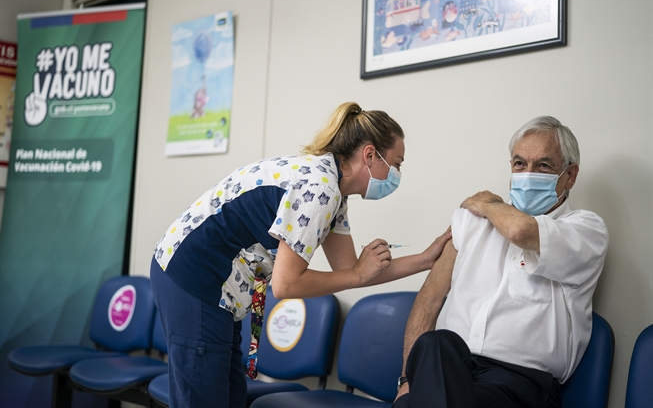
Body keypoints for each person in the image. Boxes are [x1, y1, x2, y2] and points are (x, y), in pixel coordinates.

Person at [150, 101, 452, 408]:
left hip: (213, 283)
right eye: (396, 164)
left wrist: (427, 259)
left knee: (227, 396)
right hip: (192, 275)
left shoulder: (333, 190)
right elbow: (287, 285)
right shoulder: (320, 189)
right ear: (370, 155)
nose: (397, 174)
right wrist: (356, 273)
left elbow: (350, 270)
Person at [394, 116, 609, 408]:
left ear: (569, 175)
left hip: (518, 384)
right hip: (447, 370)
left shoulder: (586, 230)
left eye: (543, 165)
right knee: (436, 344)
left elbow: (519, 231)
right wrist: (406, 382)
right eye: (520, 164)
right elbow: (429, 300)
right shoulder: (470, 223)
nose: (527, 173)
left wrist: (488, 204)